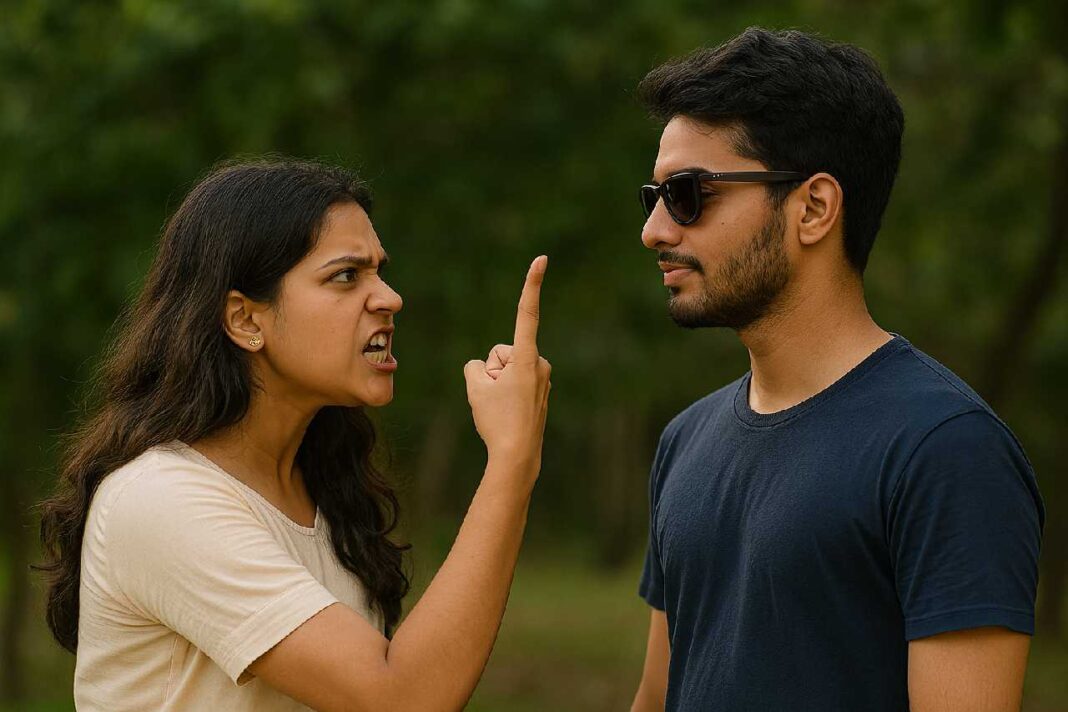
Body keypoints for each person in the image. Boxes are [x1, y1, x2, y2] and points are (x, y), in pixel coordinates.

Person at [37, 158, 552, 711]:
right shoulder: (162, 499)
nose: (389, 298)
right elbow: (404, 698)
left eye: (379, 271)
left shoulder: (323, 491)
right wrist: (511, 459)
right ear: (245, 320)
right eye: (346, 276)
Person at [628, 28, 1044, 712]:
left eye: (689, 194)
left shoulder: (947, 450)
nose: (655, 230)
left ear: (814, 208)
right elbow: (656, 697)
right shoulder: (684, 441)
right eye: (655, 196)